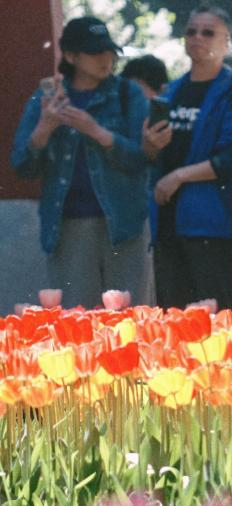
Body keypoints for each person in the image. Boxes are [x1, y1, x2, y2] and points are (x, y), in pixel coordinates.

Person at [11, 16, 152, 309]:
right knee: (77, 320)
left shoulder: (128, 94)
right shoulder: (47, 98)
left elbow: (142, 159)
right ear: (71, 56)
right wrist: (44, 128)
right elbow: (22, 166)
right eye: (95, 52)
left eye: (109, 51)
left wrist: (98, 132)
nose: (105, 59)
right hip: (68, 225)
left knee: (131, 318)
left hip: (123, 226)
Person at [143, 5, 232, 312]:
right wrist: (150, 145)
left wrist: (179, 176)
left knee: (217, 324)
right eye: (191, 31)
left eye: (208, 32)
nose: (197, 38)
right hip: (168, 227)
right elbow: (155, 157)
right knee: (173, 325)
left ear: (227, 42)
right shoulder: (172, 92)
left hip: (213, 227)